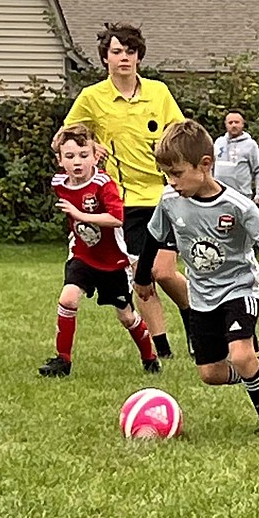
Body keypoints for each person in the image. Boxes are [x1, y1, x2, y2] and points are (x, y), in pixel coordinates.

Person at [133, 119, 259, 436]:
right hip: (201, 296)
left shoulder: (237, 206)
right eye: (167, 175)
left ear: (205, 164)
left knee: (240, 355)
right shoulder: (170, 202)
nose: (171, 182)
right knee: (210, 373)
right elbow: (154, 237)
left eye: (178, 173)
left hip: (239, 289)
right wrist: (143, 277)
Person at [63, 23, 193, 360]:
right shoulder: (92, 97)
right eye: (117, 51)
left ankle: (194, 318)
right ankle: (162, 350)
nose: (124, 58)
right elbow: (62, 139)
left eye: (130, 51)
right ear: (105, 58)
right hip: (122, 202)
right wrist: (91, 144)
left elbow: (180, 136)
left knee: (164, 272)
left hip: (164, 196)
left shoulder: (159, 93)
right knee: (141, 275)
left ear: (139, 56)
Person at [39, 123, 161, 378]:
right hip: (83, 255)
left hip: (114, 262)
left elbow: (117, 219)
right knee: (67, 299)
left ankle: (150, 357)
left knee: (127, 317)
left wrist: (80, 214)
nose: (77, 162)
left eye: (84, 155)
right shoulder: (59, 182)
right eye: (70, 156)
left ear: (96, 156)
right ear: (60, 160)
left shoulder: (104, 184)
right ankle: (63, 361)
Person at [213, 110, 259, 203]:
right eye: (230, 122)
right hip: (218, 196)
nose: (234, 125)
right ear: (226, 124)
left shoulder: (250, 145)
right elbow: (210, 167)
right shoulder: (219, 142)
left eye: (237, 122)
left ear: (242, 124)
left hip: (241, 197)